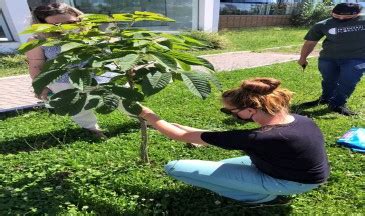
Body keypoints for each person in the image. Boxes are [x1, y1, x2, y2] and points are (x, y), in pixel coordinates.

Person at [138, 77, 330, 204]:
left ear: (250, 110)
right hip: (292, 171)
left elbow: (178, 137)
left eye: (230, 111)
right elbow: (217, 135)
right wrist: (181, 126)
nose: (230, 115)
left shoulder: (260, 138)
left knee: (174, 167)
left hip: (293, 182)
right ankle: (258, 188)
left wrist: (148, 114)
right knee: (220, 167)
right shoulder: (299, 120)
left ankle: (263, 197)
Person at [26, 3, 106, 138]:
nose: (65, 28)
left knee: (120, 98)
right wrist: (41, 87)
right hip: (63, 82)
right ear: (42, 24)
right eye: (56, 25)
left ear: (78, 17)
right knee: (79, 108)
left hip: (99, 76)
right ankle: (92, 128)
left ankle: (143, 117)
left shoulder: (90, 32)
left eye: (70, 22)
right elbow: (35, 66)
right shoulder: (37, 40)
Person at [298, 3, 365, 116]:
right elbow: (310, 43)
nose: (341, 19)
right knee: (328, 80)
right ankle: (326, 98)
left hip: (356, 58)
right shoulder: (323, 24)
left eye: (346, 17)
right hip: (328, 58)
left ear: (357, 14)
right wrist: (303, 58)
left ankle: (337, 104)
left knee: (348, 81)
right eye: (337, 16)